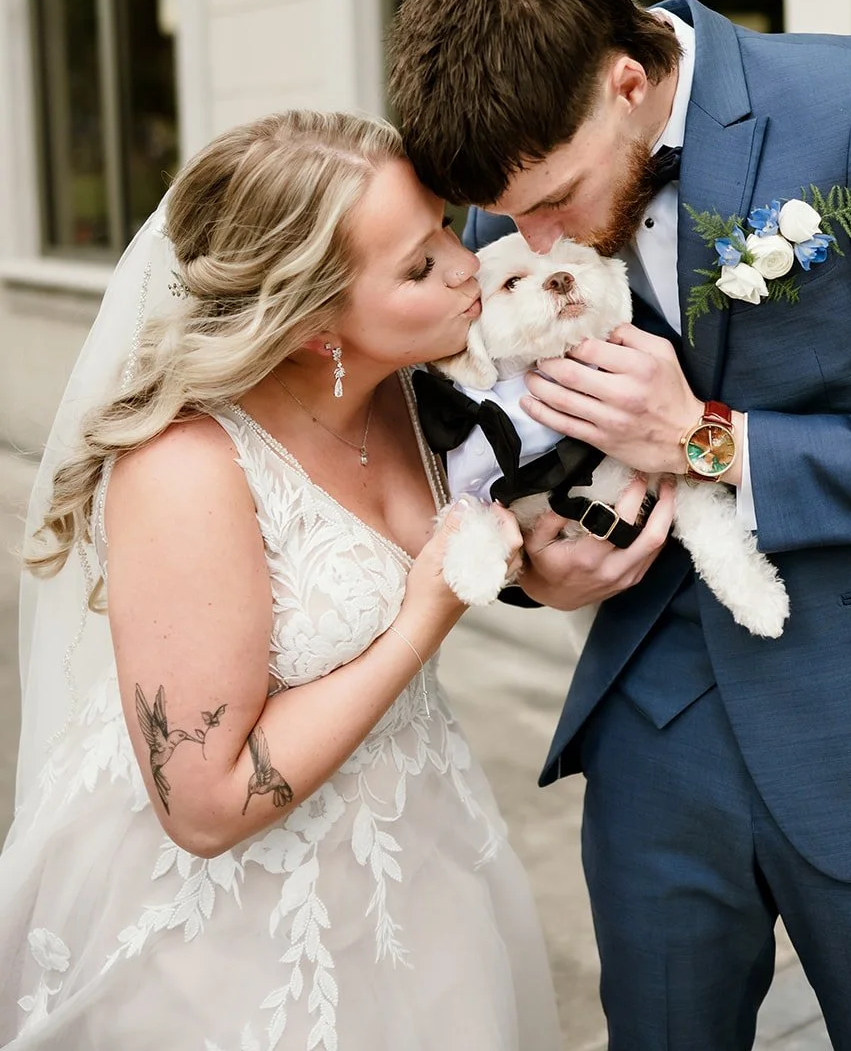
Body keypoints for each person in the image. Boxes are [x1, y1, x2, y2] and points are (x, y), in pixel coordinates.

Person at [389, 0, 851, 1051]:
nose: (533, 241)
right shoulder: (510, 194)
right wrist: (538, 567)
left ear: (624, 78)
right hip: (654, 724)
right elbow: (488, 445)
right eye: (509, 219)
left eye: (553, 200)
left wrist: (704, 438)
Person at [0, 109, 566, 1050]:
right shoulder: (184, 470)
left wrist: (550, 562)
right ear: (309, 325)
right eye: (419, 266)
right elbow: (208, 808)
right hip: (228, 936)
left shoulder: (408, 389)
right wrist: (424, 618)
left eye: (442, 226)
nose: (468, 264)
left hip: (418, 860)